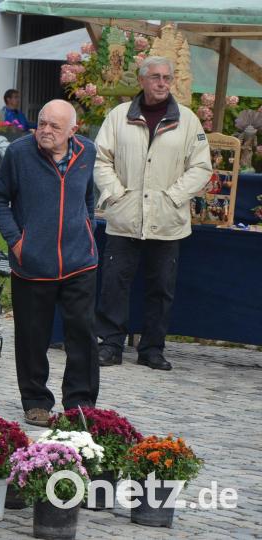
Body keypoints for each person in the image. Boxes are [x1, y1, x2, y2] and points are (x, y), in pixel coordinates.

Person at [94, 56, 212, 371]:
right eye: (156, 77)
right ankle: (111, 345)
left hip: (168, 220)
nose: (162, 83)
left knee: (161, 287)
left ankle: (152, 349)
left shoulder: (187, 121)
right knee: (114, 284)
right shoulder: (118, 117)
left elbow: (201, 167)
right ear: (142, 80)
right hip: (124, 218)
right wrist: (117, 194)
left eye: (166, 78)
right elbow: (101, 159)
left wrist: (174, 197)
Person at [0, 99, 99, 427]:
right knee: (33, 335)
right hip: (33, 262)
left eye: (55, 126)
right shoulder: (20, 153)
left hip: (80, 260)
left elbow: (87, 195)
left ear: (73, 131)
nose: (45, 131)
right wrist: (17, 241)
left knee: (82, 333)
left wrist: (88, 227)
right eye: (42, 122)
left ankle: (80, 402)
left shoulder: (87, 152)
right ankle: (35, 400)